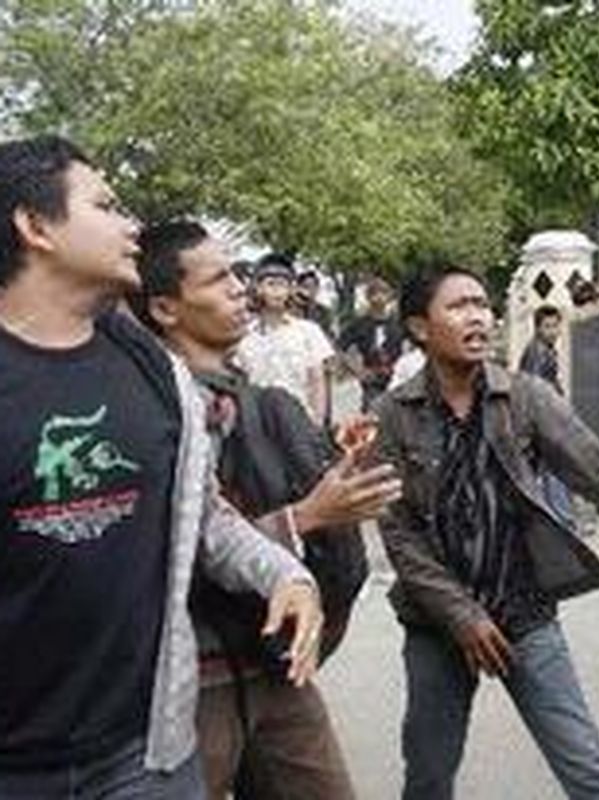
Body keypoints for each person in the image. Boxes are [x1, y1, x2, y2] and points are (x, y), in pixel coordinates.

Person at [0, 135, 322, 797]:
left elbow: (202, 518)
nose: (133, 226)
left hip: (143, 756)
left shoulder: (154, 373)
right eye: (108, 205)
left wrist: (285, 574)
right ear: (35, 227)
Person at [373, 265, 599, 800]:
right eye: (459, 306)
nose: (478, 316)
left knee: (590, 774)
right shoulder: (392, 416)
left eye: (482, 304)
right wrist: (462, 616)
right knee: (428, 779)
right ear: (420, 327)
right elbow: (400, 535)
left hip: (525, 612)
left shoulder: (526, 397)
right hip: (436, 625)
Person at [130, 220, 405, 800]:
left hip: (276, 665)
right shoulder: (146, 410)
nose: (241, 288)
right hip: (188, 680)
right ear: (164, 307)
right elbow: (174, 543)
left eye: (238, 274)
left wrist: (337, 473)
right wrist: (307, 516)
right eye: (218, 279)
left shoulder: (252, 400)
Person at [235, 253, 336, 424]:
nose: (277, 291)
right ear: (258, 288)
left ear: (291, 290)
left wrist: (317, 425)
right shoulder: (243, 336)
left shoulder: (309, 331)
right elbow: (239, 382)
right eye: (271, 284)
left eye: (282, 285)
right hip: (258, 424)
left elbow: (317, 382)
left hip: (300, 422)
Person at [519, 305, 576, 530]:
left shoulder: (544, 349)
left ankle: (555, 518)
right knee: (555, 468)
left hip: (543, 417)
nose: (554, 331)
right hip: (541, 419)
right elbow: (535, 389)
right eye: (548, 327)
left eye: (556, 325)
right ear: (538, 328)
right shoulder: (538, 352)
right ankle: (564, 519)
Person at [337, 274, 406, 411]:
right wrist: (358, 370)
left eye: (383, 292)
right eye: (375, 293)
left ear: (390, 296)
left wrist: (404, 368)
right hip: (372, 380)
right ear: (368, 297)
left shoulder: (398, 324)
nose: (379, 297)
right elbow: (340, 347)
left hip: (397, 377)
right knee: (372, 416)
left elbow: (412, 347)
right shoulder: (359, 324)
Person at [292, 269, 334, 336]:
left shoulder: (324, 312)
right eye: (306, 286)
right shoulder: (292, 309)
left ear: (317, 288)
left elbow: (328, 334)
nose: (310, 290)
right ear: (299, 288)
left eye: (313, 286)